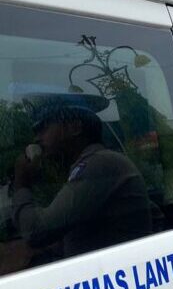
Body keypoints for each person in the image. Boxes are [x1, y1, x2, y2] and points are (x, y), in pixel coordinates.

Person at [9, 92, 152, 270]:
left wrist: (21, 182)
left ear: (75, 127)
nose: (37, 138)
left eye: (44, 127)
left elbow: (38, 231)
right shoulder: (90, 164)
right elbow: (75, 236)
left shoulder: (99, 164)